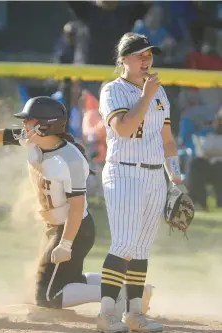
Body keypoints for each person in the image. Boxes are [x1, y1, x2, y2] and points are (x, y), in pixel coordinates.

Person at [0, 96, 154, 313]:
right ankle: (131, 288)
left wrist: (65, 244)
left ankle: (122, 295)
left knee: (47, 296)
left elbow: (77, 207)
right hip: (59, 227)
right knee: (70, 279)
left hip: (73, 229)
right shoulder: (31, 139)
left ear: (46, 125)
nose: (24, 125)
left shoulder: (70, 160)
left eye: (30, 120)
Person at [96, 32, 185, 332]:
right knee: (124, 243)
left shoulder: (159, 92)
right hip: (124, 172)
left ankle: (134, 313)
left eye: (150, 54)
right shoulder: (113, 91)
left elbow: (167, 140)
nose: (147, 59)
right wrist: (146, 96)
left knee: (142, 247)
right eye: (140, 54)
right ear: (123, 59)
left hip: (153, 175)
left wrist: (175, 174)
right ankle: (106, 314)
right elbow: (123, 128)